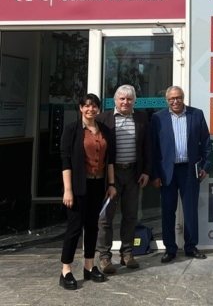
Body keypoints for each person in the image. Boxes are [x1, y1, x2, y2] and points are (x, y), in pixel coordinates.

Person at [59, 94, 116, 290]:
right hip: (78, 186)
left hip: (98, 185)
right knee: (74, 228)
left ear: (98, 109)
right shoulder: (72, 130)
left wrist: (111, 184)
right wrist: (68, 190)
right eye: (87, 106)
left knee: (92, 227)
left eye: (94, 106)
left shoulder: (105, 130)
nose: (90, 109)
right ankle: (66, 270)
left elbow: (110, 159)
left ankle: (89, 267)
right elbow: (65, 161)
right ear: (81, 108)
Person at [151, 86, 212, 263]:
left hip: (189, 170)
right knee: (167, 211)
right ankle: (170, 249)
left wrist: (205, 166)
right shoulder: (158, 118)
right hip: (167, 172)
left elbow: (206, 143)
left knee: (190, 210)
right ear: (167, 100)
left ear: (183, 98)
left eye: (178, 97)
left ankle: (191, 246)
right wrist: (155, 174)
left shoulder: (196, 114)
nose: (175, 101)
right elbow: (153, 147)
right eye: (171, 99)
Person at [96, 85, 152, 273]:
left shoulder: (142, 118)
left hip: (134, 173)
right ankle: (104, 256)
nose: (125, 102)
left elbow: (147, 146)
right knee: (106, 217)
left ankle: (127, 254)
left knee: (130, 216)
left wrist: (146, 171)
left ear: (134, 101)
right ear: (115, 101)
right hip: (111, 175)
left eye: (129, 99)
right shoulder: (103, 119)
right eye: (122, 99)